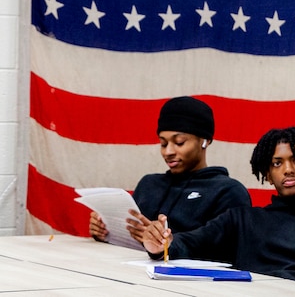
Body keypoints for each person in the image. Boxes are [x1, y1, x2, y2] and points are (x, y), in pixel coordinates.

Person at [139, 126, 295, 297]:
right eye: (277, 163)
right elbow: (187, 244)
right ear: (267, 175)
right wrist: (162, 243)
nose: (288, 169)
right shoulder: (242, 220)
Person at [89, 96, 252, 244]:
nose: (168, 152)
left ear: (205, 141)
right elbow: (130, 238)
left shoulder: (228, 191)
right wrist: (105, 231)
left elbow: (228, 248)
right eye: (163, 143)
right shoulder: (149, 184)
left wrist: (167, 243)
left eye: (179, 142)